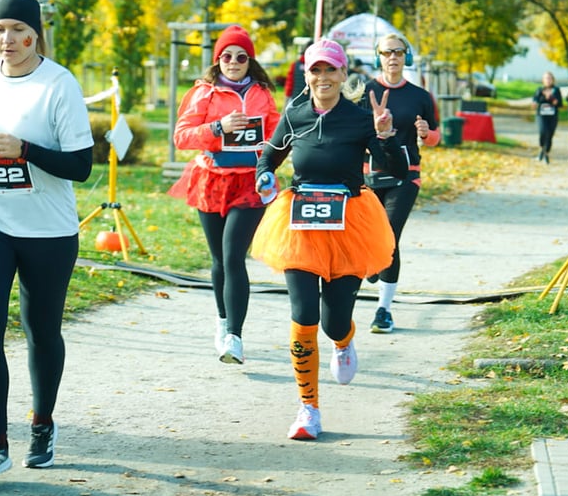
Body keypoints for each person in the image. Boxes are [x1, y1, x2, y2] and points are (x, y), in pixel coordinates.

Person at [0, 0, 94, 483]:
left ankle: (42, 424)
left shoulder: (59, 84)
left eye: (17, 30)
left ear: (36, 36)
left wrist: (27, 151)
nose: (6, 39)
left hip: (48, 231)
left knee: (41, 330)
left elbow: (82, 166)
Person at [250, 39, 407, 439]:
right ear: (307, 74)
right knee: (304, 316)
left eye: (330, 70)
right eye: (315, 70)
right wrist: (264, 174)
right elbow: (270, 153)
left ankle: (344, 340)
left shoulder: (359, 119)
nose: (323, 77)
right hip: (300, 224)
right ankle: (308, 410)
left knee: (334, 321)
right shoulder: (296, 112)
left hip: (349, 223)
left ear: (343, 75)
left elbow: (394, 170)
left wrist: (386, 136)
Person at [168, 25, 280, 364]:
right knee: (218, 260)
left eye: (241, 56)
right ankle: (221, 322)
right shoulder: (204, 93)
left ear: (250, 61)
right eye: (227, 56)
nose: (234, 61)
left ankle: (235, 336)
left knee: (234, 258)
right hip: (212, 180)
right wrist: (218, 128)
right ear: (218, 60)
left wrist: (270, 165)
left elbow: (277, 135)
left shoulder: (262, 93)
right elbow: (182, 137)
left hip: (249, 183)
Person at [362, 33, 440, 333]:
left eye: (399, 52)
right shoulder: (366, 91)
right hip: (371, 175)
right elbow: (353, 133)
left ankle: (383, 310)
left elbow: (435, 137)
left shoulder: (420, 95)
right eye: (386, 52)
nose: (392, 57)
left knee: (389, 237)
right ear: (378, 57)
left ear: (406, 57)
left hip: (406, 176)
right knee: (372, 238)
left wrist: (424, 133)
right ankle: (372, 263)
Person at [532, 71, 563, 164]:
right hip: (541, 115)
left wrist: (551, 98)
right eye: (546, 78)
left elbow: (559, 103)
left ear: (553, 80)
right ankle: (542, 148)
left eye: (550, 78)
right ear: (543, 80)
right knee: (543, 131)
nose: (548, 80)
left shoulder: (556, 90)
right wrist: (535, 102)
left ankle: (546, 152)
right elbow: (535, 101)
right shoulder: (539, 90)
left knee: (550, 134)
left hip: (552, 116)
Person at [283, 40, 313, 107]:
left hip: (296, 101)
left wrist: (285, 104)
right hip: (310, 103)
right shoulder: (315, 67)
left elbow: (289, 86)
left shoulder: (295, 65)